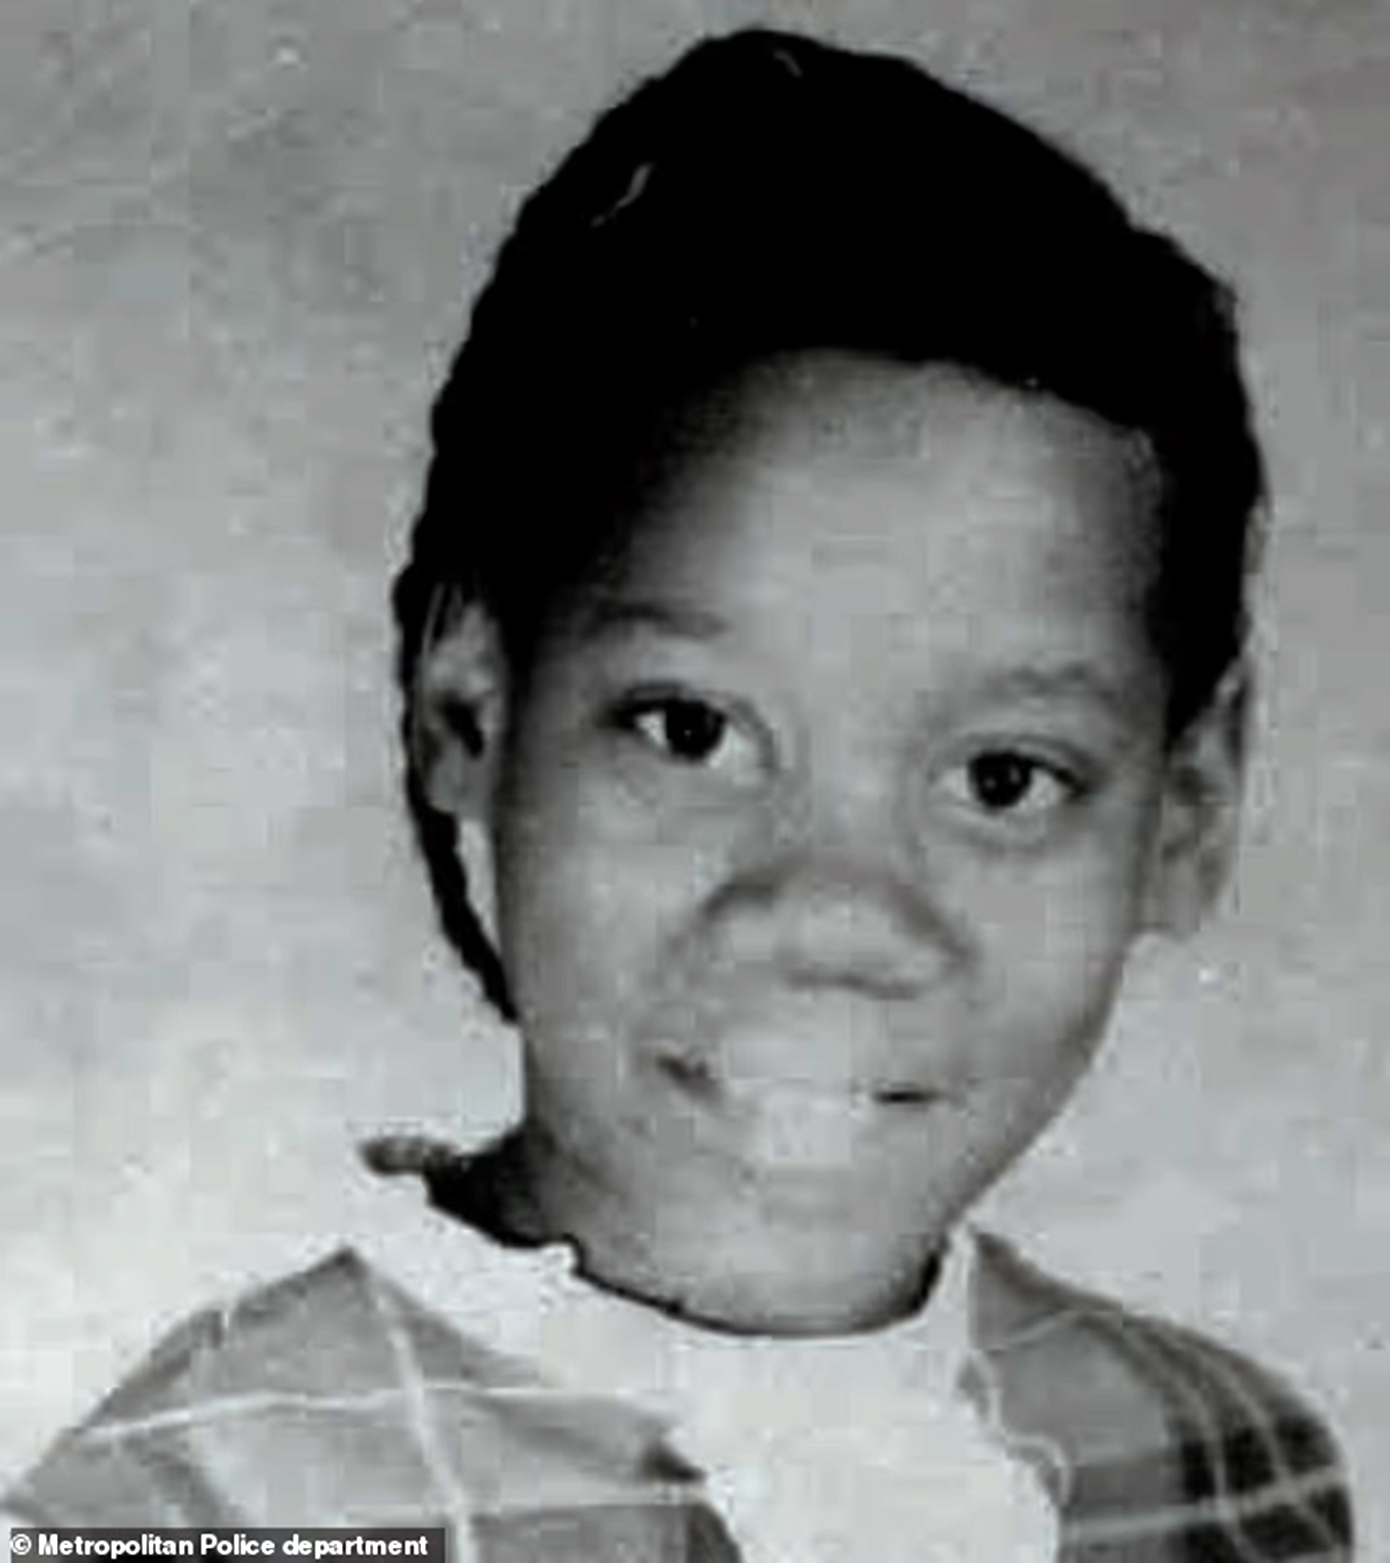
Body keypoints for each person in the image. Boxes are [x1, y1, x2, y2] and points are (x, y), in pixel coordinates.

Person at [6, 26, 1354, 1562]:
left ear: (1187, 806)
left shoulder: (1218, 1463)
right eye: (690, 730)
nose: (834, 918)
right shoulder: (196, 1511)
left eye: (1002, 778)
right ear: (471, 704)